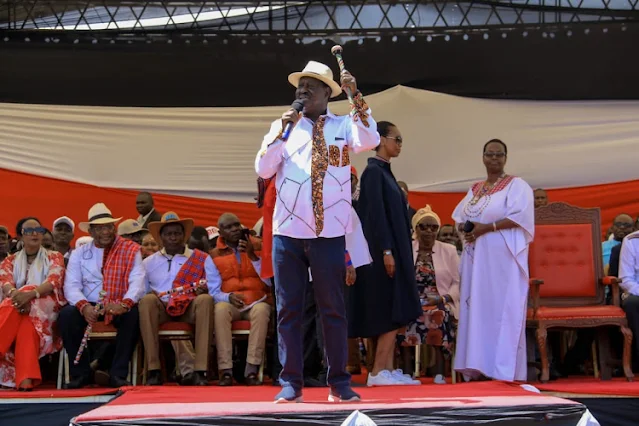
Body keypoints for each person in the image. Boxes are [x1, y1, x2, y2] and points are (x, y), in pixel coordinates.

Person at [255, 60, 378, 403]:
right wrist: (282, 130)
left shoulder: (343, 125)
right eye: (300, 87)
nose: (303, 91)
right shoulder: (282, 127)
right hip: (288, 234)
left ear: (328, 92)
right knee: (289, 310)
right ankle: (290, 382)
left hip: (328, 235)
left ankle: (339, 382)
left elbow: (370, 139)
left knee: (333, 310)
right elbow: (263, 167)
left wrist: (356, 96)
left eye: (311, 86)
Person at [452, 139, 534, 382]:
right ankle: (478, 365)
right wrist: (464, 227)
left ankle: (501, 368)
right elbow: (460, 214)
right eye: (490, 154)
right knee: (478, 308)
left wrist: (488, 228)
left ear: (505, 158)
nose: (494, 159)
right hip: (477, 259)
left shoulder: (517, 186)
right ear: (483, 157)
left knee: (500, 310)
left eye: (499, 155)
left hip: (502, 258)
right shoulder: (475, 188)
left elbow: (522, 217)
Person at [348, 121, 421, 387]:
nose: (399, 144)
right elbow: (375, 217)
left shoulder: (385, 172)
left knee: (396, 306)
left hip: (396, 250)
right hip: (382, 253)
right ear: (380, 139)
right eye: (396, 139)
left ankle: (388, 369)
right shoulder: (372, 173)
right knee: (390, 309)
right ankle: (377, 369)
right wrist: (387, 250)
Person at [59, 203, 146, 389]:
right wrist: (84, 306)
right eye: (99, 228)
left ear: (114, 228)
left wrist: (124, 304)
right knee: (67, 315)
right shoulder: (79, 253)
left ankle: (117, 374)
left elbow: (138, 280)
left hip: (117, 302)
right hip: (88, 303)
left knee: (132, 315)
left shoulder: (129, 249)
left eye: (108, 227)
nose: (105, 232)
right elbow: (71, 285)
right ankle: (81, 374)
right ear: (90, 232)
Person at [140, 212, 215, 386]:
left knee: (205, 300)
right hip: (162, 308)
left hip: (190, 307)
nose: (173, 237)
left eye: (177, 233)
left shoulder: (201, 259)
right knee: (146, 301)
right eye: (168, 234)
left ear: (184, 235)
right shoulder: (148, 262)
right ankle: (154, 370)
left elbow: (213, 285)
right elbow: (143, 290)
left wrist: (203, 289)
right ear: (161, 237)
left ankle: (200, 370)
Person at [0, 218, 66, 390]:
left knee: (21, 300)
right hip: (19, 308)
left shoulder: (54, 257)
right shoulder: (10, 260)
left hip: (46, 308)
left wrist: (30, 294)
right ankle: (25, 380)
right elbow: (5, 283)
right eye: (29, 230)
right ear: (21, 235)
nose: (35, 233)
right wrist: (18, 296)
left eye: (38, 229)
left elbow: (53, 281)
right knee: (26, 325)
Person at [398, 206, 460, 384]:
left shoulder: (448, 250)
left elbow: (457, 282)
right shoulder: (407, 248)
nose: (428, 231)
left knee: (439, 314)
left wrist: (443, 298)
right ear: (415, 229)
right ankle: (408, 371)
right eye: (423, 227)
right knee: (405, 314)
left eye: (433, 228)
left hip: (439, 298)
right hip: (412, 297)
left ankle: (439, 371)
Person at [211, 213, 272, 386]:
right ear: (221, 232)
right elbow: (213, 290)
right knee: (220, 309)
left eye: (237, 225)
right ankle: (226, 371)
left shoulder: (258, 248)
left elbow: (269, 281)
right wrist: (228, 297)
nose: (235, 229)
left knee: (262, 310)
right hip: (231, 304)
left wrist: (253, 256)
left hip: (256, 301)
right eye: (229, 227)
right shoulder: (214, 255)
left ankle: (252, 370)